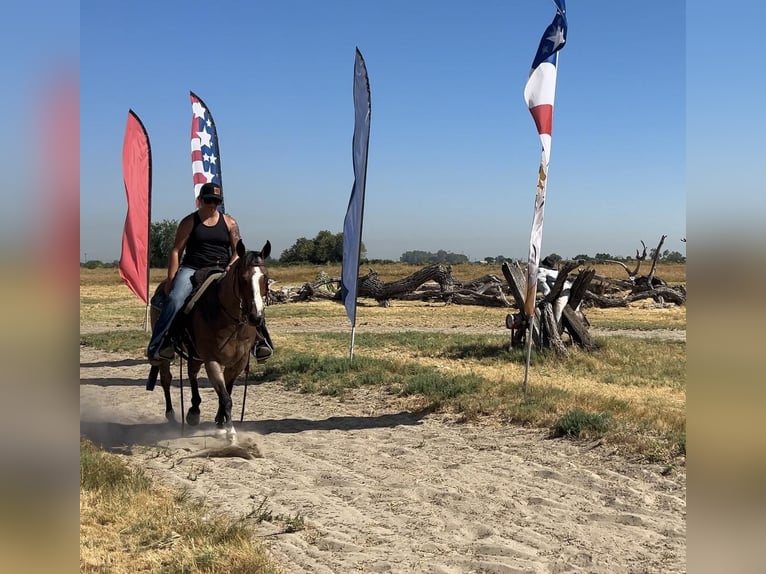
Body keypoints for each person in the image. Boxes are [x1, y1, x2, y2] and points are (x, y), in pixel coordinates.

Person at [147, 182, 272, 363]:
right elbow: (176, 251)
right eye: (208, 200)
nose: (212, 204)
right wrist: (171, 279)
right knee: (175, 299)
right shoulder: (189, 222)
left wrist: (231, 265)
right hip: (193, 269)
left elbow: (237, 249)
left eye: (216, 201)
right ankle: (160, 344)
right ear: (200, 201)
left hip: (221, 269)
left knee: (251, 295)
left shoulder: (230, 222)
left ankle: (261, 342)